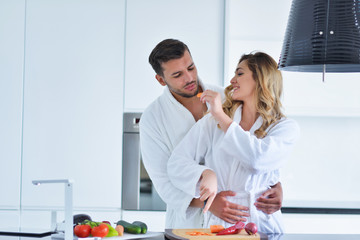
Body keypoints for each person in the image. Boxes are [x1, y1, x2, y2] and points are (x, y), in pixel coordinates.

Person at [139, 39, 284, 229]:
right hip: (188, 223)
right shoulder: (153, 118)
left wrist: (276, 185)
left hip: (235, 221)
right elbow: (163, 181)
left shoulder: (226, 98)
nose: (190, 78)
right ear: (161, 79)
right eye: (178, 75)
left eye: (191, 67)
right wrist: (207, 202)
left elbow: (255, 142)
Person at [167, 51, 300, 232]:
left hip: (263, 225)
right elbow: (176, 164)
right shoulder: (212, 122)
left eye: (239, 73)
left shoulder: (285, 128)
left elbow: (258, 160)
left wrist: (221, 115)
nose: (232, 81)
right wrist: (205, 173)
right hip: (221, 225)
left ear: (260, 79)